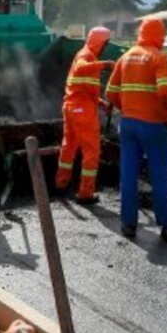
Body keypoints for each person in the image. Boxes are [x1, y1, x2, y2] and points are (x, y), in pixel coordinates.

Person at [106, 18, 167, 241]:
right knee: (161, 174)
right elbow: (165, 92)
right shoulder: (160, 58)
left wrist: (127, 108)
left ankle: (128, 224)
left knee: (128, 173)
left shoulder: (125, 57)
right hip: (153, 125)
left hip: (128, 124)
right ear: (160, 36)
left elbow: (110, 93)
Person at [55, 26, 115, 205]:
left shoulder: (86, 55)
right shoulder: (86, 56)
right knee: (91, 150)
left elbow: (83, 89)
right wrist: (105, 64)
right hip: (81, 111)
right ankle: (86, 192)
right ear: (100, 42)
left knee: (69, 146)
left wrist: (101, 102)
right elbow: (82, 69)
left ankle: (61, 182)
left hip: (71, 107)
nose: (106, 46)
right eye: (105, 42)